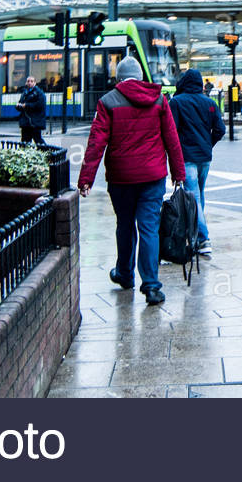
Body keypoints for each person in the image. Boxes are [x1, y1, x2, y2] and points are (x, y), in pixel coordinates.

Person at [78, 57, 185, 305]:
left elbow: (96, 143)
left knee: (125, 225)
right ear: (140, 75)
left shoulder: (107, 102)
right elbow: (172, 139)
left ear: (119, 77)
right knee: (148, 227)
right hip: (152, 176)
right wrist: (178, 173)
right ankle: (151, 286)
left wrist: (86, 178)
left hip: (121, 177)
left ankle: (125, 274)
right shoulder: (159, 100)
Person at [168, 68, 225, 257]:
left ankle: (203, 238)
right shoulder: (209, 103)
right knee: (199, 194)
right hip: (204, 157)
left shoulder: (177, 102)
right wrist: (209, 144)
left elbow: (172, 132)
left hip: (187, 157)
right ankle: (195, 233)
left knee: (195, 197)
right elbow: (220, 129)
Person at [17, 76, 47, 144]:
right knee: (25, 141)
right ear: (26, 83)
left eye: (31, 81)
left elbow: (39, 105)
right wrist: (18, 106)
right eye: (28, 81)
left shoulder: (39, 93)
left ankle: (47, 152)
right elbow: (21, 102)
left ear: (35, 83)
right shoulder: (24, 93)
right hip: (26, 122)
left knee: (38, 140)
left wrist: (26, 105)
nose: (29, 83)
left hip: (35, 122)